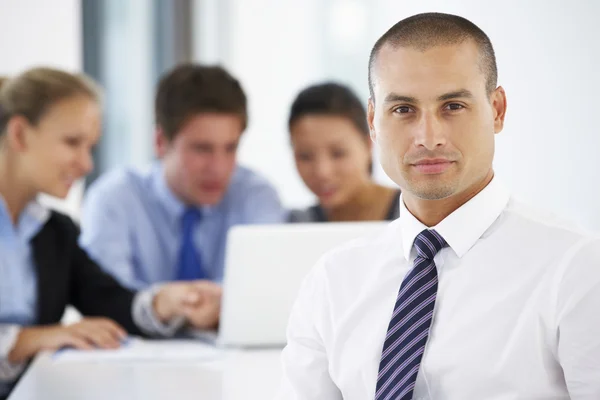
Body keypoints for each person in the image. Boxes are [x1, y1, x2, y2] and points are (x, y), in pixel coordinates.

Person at [277, 12, 600, 400]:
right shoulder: (333, 282)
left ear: (496, 109)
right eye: (403, 110)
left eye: (452, 106)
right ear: (373, 121)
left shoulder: (577, 270)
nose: (428, 138)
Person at [0, 67, 221, 399]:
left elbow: (106, 299)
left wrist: (167, 303)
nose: (86, 164)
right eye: (72, 142)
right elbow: (40, 337)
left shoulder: (53, 231)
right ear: (19, 134)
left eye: (90, 146)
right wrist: (28, 339)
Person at [79, 64, 286, 290]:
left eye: (230, 148)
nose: (218, 168)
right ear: (160, 142)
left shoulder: (256, 196)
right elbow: (107, 298)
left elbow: (266, 289)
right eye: (202, 149)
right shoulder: (114, 199)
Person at [288, 83, 400, 223]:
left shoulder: (418, 214)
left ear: (368, 144)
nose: (323, 172)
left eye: (338, 153)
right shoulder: (296, 225)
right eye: (305, 156)